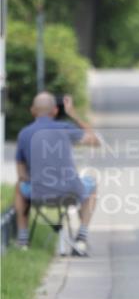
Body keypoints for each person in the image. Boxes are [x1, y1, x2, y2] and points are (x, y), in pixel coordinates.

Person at [14, 92, 100, 255]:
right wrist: (73, 113)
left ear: (33, 110)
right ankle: (81, 238)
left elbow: (21, 173)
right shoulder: (66, 128)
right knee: (92, 183)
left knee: (19, 188)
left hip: (38, 195)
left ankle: (23, 240)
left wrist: (32, 181)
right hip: (71, 193)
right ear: (54, 110)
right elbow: (95, 141)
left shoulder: (24, 134)